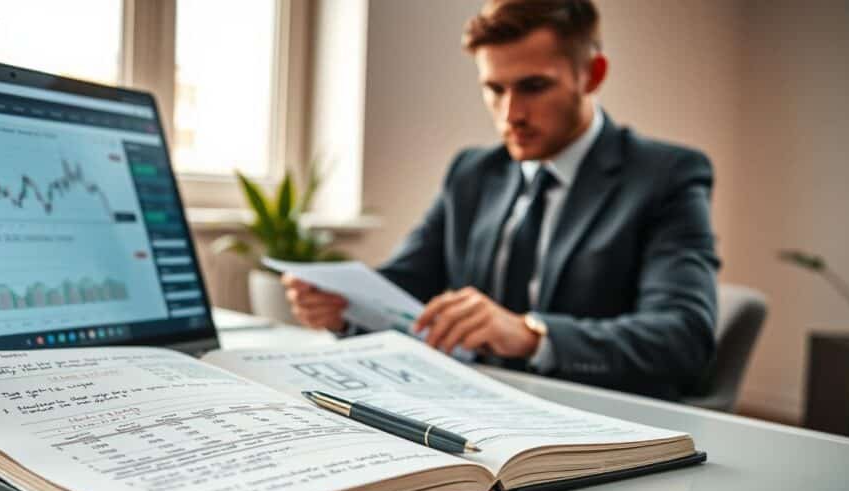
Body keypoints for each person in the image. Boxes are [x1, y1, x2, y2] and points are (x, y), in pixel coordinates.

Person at [282, 0, 719, 401]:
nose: (511, 115)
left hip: (596, 420)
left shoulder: (666, 175)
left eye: (533, 87)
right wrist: (343, 307)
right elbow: (404, 286)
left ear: (593, 74)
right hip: (469, 407)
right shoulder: (472, 173)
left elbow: (683, 337)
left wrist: (532, 336)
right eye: (495, 89)